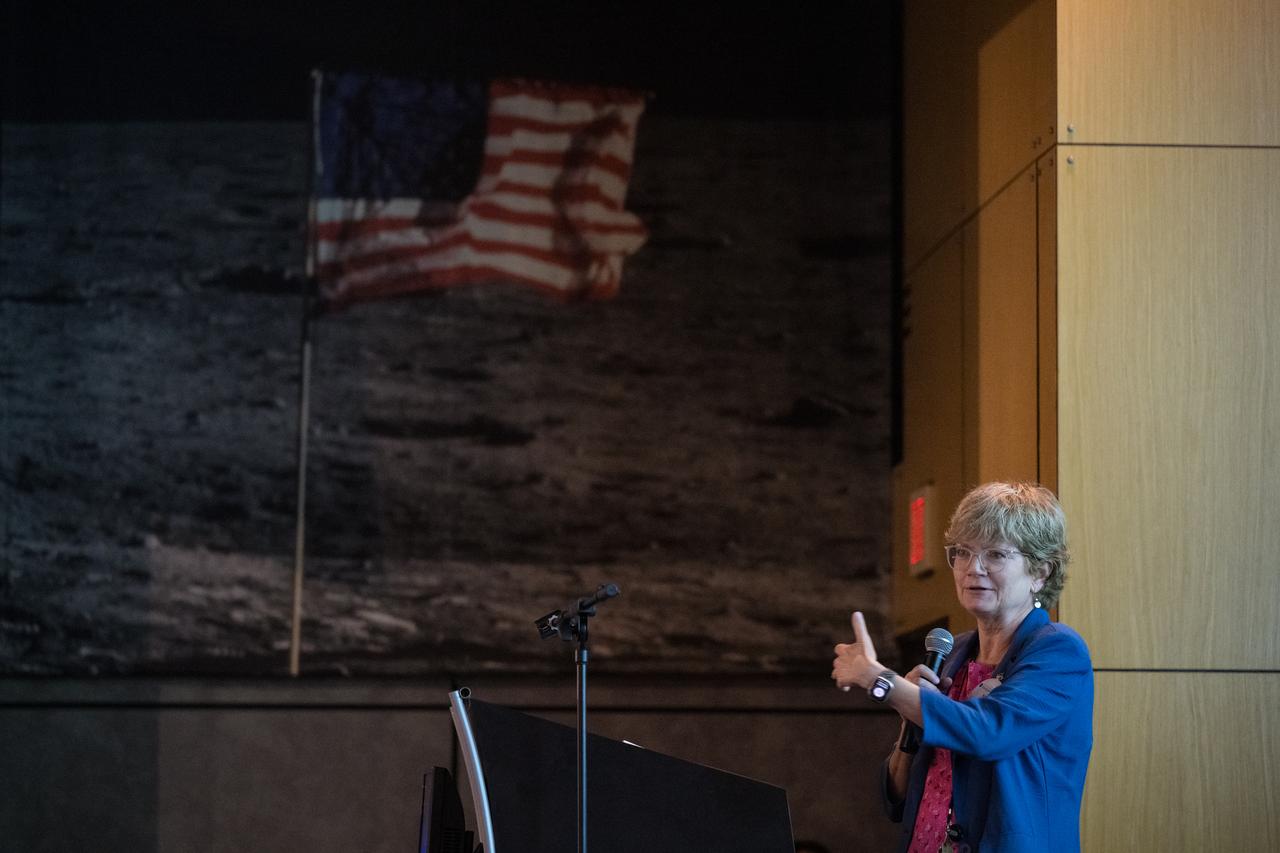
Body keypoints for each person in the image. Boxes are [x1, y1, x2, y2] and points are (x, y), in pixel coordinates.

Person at [831, 482, 1092, 852]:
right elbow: (896, 799)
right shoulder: (955, 655)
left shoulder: (1058, 652)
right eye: (963, 552)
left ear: (1040, 572)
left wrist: (880, 680)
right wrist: (910, 720)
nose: (974, 568)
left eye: (996, 555)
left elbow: (989, 733)